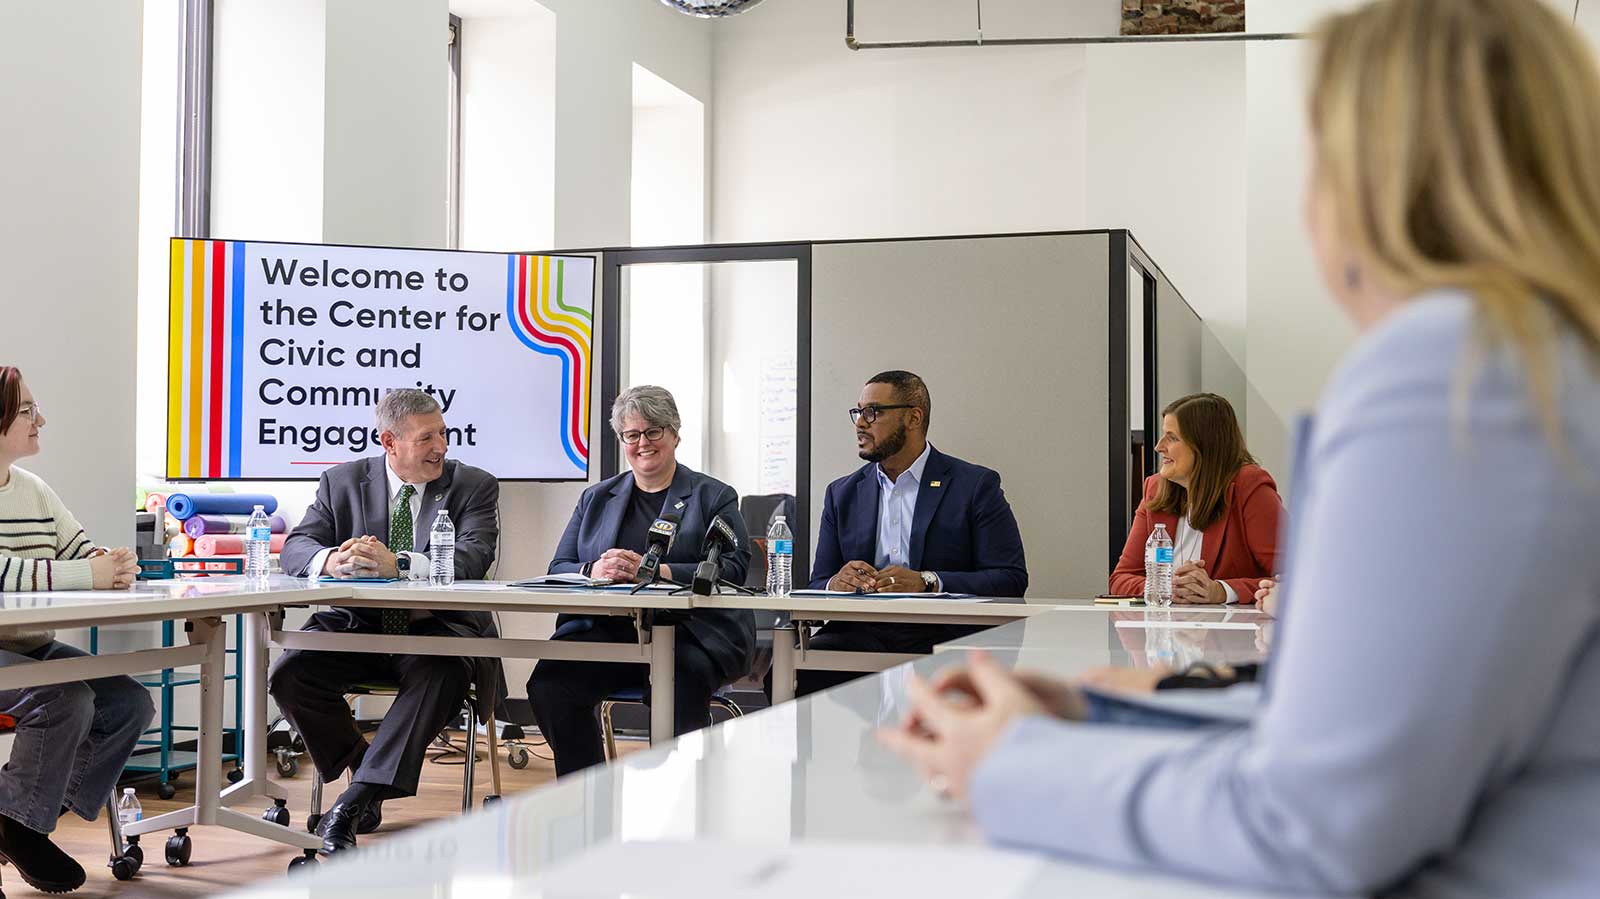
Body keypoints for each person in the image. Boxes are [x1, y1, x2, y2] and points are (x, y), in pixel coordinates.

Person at [880, 1, 1600, 894]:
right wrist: (1103, 707)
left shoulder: (1453, 374)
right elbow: (1385, 720)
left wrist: (1009, 763)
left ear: (1372, 178)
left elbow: (1310, 821)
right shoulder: (1548, 360)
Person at [269, 388, 501, 855]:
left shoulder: (473, 485)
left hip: (436, 626)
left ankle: (352, 805)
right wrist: (331, 558)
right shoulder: (341, 481)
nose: (441, 447)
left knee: (443, 669)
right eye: (426, 438)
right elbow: (297, 547)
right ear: (389, 441)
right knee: (290, 673)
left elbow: (474, 558)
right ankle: (368, 774)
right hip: (359, 626)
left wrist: (400, 564)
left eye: (443, 433)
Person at [529, 386, 753, 776]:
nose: (643, 443)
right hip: (607, 631)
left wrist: (657, 571)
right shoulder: (597, 498)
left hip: (691, 633)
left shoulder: (712, 495)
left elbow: (734, 568)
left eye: (654, 432)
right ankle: (589, 795)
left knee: (677, 686)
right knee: (551, 684)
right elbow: (560, 565)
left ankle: (686, 800)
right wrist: (594, 571)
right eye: (632, 435)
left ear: (675, 435)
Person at [0, 366, 150, 894]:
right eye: (26, 411)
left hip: (27, 647)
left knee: (128, 703)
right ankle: (19, 823)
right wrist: (88, 573)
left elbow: (77, 550)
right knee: (64, 699)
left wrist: (110, 560)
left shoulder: (34, 490)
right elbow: (2, 573)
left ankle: (17, 820)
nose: (41, 419)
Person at [797, 370, 1027, 696]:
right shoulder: (842, 493)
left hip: (946, 632)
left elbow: (1011, 579)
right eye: (858, 412)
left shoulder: (974, 486)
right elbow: (818, 583)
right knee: (790, 669)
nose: (860, 423)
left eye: (872, 412)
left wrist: (928, 582)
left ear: (913, 417)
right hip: (863, 633)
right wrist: (838, 582)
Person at [1110, 393, 1283, 604]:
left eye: (1172, 437)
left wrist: (1222, 591)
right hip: (1162, 632)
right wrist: (1166, 587)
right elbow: (1120, 579)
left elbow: (1296, 579)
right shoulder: (1155, 489)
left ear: (1204, 445)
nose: (1158, 447)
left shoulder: (1250, 487)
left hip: (1234, 634)